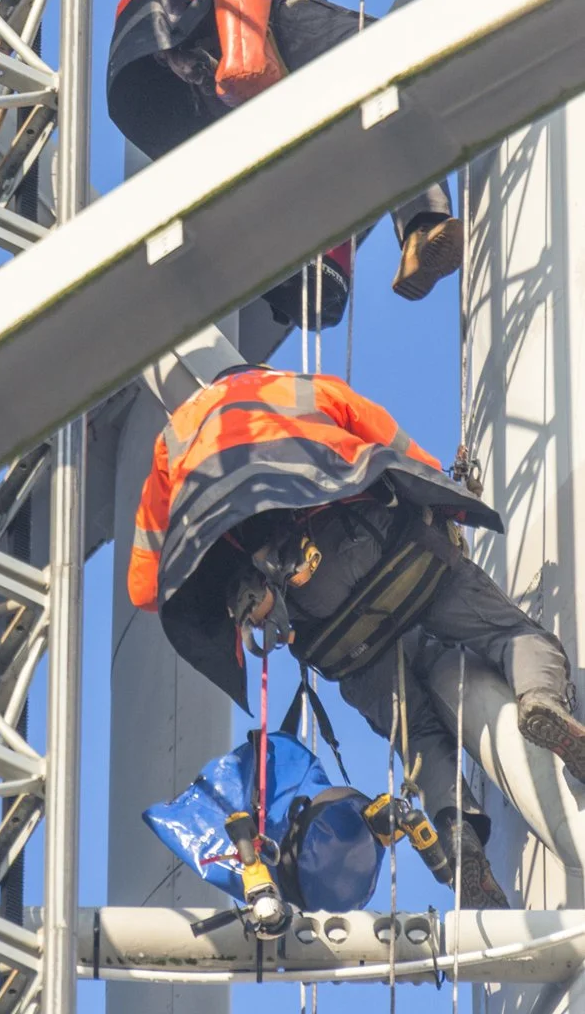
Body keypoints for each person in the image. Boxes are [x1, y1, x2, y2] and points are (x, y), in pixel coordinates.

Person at [128, 363, 585, 908]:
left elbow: (144, 588)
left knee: (418, 731)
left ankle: (457, 838)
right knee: (511, 634)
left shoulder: (171, 444)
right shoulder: (295, 387)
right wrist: (439, 493)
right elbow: (396, 445)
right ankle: (541, 701)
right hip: (380, 550)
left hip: (321, 624)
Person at [106, 0, 463, 320]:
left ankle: (305, 268)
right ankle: (421, 221)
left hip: (166, 85)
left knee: (300, 156)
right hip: (200, 28)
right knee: (386, 54)